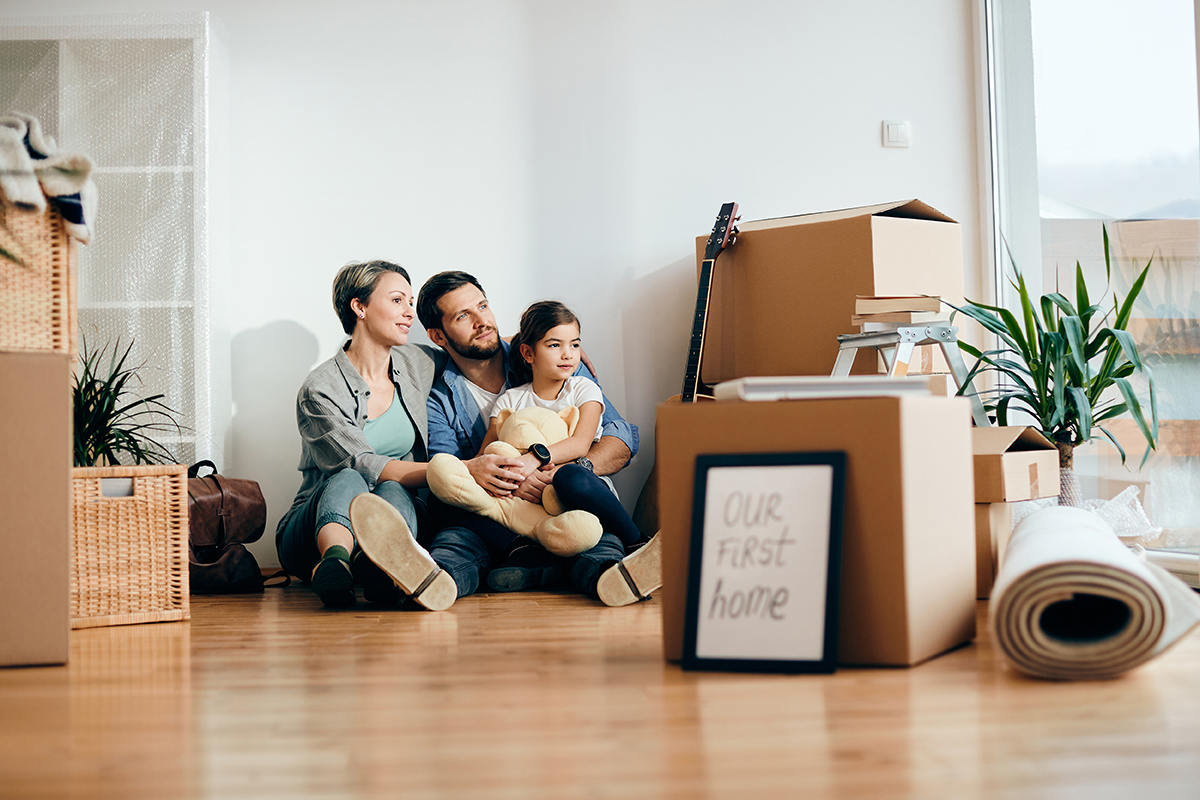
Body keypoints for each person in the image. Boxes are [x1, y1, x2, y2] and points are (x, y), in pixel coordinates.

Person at [417, 271, 659, 606]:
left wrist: (558, 473)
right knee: (446, 512)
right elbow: (454, 468)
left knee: (591, 534)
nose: (482, 322)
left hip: (566, 494)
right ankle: (431, 580)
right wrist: (498, 476)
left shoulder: (558, 360)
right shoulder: (440, 398)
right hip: (506, 509)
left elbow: (619, 442)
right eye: (463, 316)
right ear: (438, 336)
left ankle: (610, 574)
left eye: (483, 306)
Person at [276, 260, 486, 610]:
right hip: (312, 532)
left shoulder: (414, 362)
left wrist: (540, 345)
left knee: (393, 487)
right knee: (349, 476)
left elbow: (468, 347)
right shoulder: (320, 389)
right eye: (397, 300)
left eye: (410, 301)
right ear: (359, 307)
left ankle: (383, 564)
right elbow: (362, 463)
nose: (409, 313)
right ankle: (335, 562)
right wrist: (456, 470)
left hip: (389, 513)